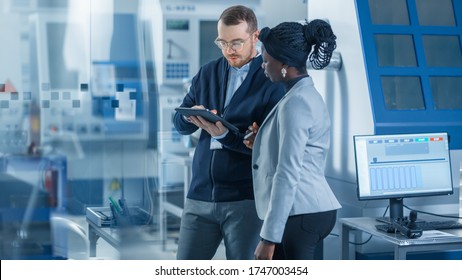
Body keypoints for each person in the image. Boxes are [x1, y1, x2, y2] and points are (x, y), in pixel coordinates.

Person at [172, 5, 285, 260]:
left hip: (244, 200)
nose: (228, 50)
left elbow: (266, 148)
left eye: (236, 42)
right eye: (222, 42)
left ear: (255, 37)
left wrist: (223, 135)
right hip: (200, 196)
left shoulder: (271, 80)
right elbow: (178, 124)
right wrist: (192, 116)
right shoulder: (208, 73)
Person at [244, 20, 342, 260]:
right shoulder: (306, 94)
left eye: (267, 61)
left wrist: (268, 239)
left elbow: (288, 172)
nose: (263, 66)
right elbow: (305, 149)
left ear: (285, 64)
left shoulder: (295, 103)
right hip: (314, 210)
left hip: (300, 213)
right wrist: (264, 140)